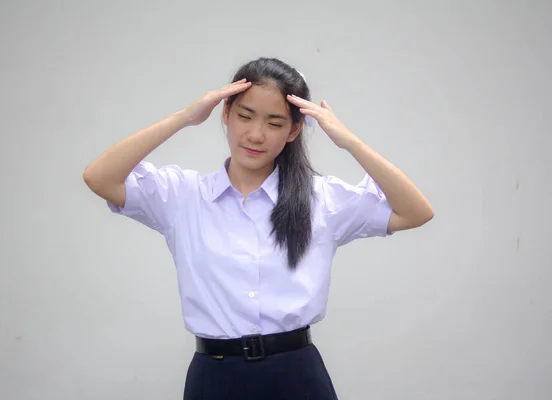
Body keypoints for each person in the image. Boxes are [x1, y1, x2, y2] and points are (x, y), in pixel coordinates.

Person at [83, 57, 434, 399]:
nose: (255, 134)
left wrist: (349, 141)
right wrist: (183, 118)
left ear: (295, 129)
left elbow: (415, 212)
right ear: (226, 114)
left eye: (274, 123)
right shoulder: (183, 197)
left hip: (296, 376)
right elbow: (99, 177)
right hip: (215, 377)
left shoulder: (320, 199)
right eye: (244, 116)